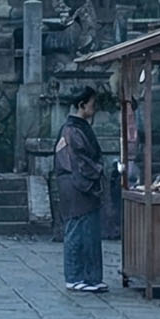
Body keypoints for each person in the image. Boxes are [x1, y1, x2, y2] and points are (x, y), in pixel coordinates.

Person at [52, 89, 109, 293]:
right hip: (76, 186)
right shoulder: (72, 130)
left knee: (89, 233)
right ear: (82, 105)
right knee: (77, 232)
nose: (94, 109)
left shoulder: (76, 128)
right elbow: (80, 161)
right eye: (92, 104)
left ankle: (90, 277)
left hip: (78, 185)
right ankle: (76, 276)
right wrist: (99, 169)